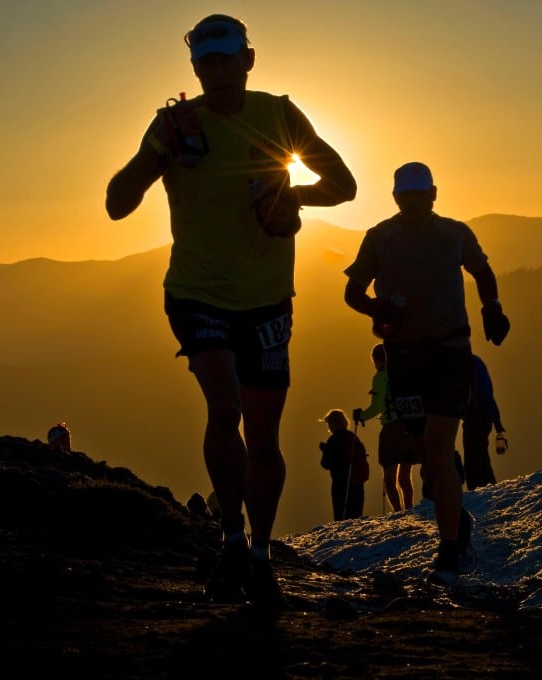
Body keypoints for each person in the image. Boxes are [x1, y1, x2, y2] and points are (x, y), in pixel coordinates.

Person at [104, 14, 357, 609]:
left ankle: (259, 555)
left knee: (264, 438)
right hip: (196, 293)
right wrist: (159, 149)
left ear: (248, 60)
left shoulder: (279, 114)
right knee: (226, 409)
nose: (217, 71)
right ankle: (232, 540)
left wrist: (287, 194)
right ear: (196, 69)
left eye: (226, 59)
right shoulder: (173, 125)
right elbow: (118, 203)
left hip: (268, 298)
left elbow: (342, 184)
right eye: (206, 62)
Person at [343, 161, 510, 585]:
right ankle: (457, 523)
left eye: (421, 195)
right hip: (404, 358)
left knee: (436, 451)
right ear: (397, 198)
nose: (414, 202)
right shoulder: (380, 237)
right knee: (429, 459)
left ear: (433, 194)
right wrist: (376, 309)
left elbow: (483, 272)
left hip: (449, 352)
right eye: (407, 195)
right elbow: (352, 291)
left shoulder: (454, 233)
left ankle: (450, 549)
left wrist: (492, 308)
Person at [352, 343, 418, 512]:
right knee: (405, 476)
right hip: (409, 426)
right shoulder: (403, 372)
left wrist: (362, 416)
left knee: (390, 479)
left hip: (391, 429)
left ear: (377, 360)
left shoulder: (380, 378)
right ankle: (410, 508)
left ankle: (398, 512)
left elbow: (377, 406)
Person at [461, 354, 506, 490]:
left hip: (476, 419)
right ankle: (490, 489)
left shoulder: (467, 364)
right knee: (482, 459)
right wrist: (497, 422)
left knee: (473, 462)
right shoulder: (476, 363)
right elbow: (487, 394)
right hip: (482, 418)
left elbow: (485, 394)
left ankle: (479, 491)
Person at [319, 409, 369, 521]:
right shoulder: (353, 437)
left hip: (340, 484)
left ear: (333, 424)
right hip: (357, 482)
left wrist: (325, 450)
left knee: (341, 516)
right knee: (356, 515)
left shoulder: (333, 439)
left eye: (329, 423)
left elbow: (325, 463)